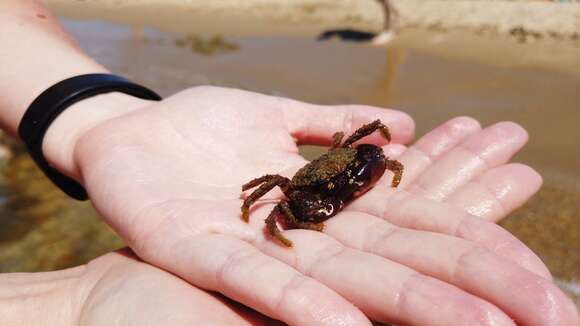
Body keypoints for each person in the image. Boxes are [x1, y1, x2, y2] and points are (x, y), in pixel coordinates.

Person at [0, 1, 577, 325]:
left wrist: (95, 117)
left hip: (332, 161)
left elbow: (371, 147)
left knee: (368, 153)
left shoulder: (355, 156)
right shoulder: (294, 188)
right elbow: (276, 197)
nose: (345, 186)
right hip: (304, 177)